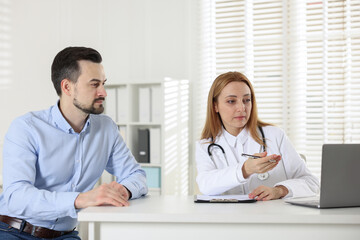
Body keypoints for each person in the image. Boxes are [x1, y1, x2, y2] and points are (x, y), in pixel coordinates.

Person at [0, 46, 148, 239]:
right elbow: (16, 197)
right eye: (94, 84)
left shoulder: (106, 128)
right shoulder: (27, 128)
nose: (103, 92)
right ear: (67, 87)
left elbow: (137, 175)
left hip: (65, 235)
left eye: (103, 83)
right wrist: (80, 199)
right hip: (14, 231)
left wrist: (123, 190)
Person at [196, 71, 319, 200]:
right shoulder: (205, 145)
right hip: (230, 218)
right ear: (215, 106)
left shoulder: (274, 135)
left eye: (246, 100)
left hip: (271, 217)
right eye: (231, 101)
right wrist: (244, 170)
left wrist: (279, 190)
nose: (242, 108)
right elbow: (206, 186)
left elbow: (311, 182)